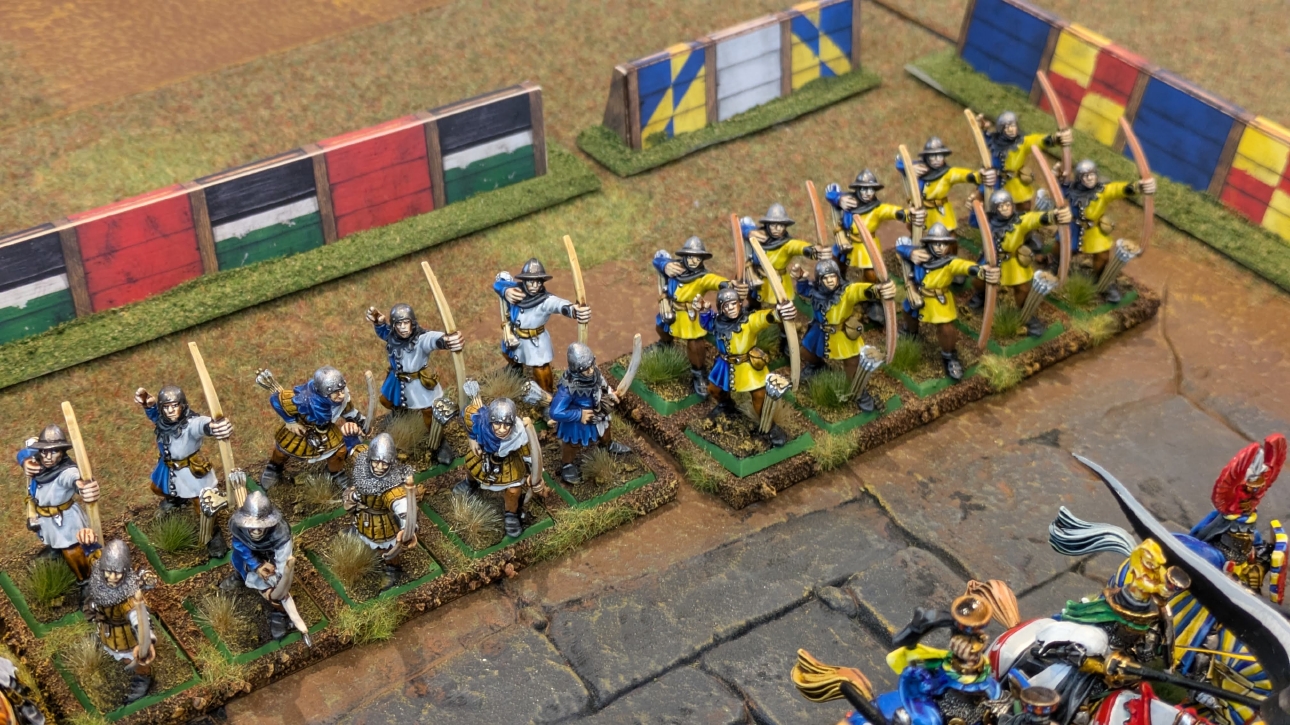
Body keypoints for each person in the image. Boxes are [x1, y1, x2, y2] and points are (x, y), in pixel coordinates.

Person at [135, 385, 233, 558]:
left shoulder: (191, 423)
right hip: (168, 467)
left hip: (191, 471)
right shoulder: (163, 420)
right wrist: (149, 405)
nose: (170, 410)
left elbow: (203, 425)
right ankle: (176, 500)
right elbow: (155, 416)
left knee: (203, 506)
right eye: (166, 407)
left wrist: (214, 426)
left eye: (174, 405)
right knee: (157, 488)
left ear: (182, 405)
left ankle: (214, 536)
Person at [696, 284, 798, 447]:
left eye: (733, 304)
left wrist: (779, 313)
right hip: (724, 365)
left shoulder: (748, 320)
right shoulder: (718, 322)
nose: (730, 308)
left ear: (739, 303)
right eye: (726, 306)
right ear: (721, 308)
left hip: (747, 366)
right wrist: (703, 311)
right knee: (714, 389)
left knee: (759, 396)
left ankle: (770, 427)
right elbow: (707, 324)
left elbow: (763, 318)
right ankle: (726, 405)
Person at [895, 225, 1000, 381]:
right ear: (929, 244)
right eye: (936, 244)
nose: (940, 248)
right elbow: (900, 247)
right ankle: (911, 333)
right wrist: (911, 253)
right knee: (909, 314)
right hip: (916, 295)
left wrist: (981, 271)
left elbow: (964, 266)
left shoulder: (949, 262)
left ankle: (949, 356)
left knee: (946, 330)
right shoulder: (921, 255)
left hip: (938, 301)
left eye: (943, 244)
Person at [366, 303, 465, 466]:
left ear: (412, 322)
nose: (403, 327)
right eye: (398, 324)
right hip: (397, 381)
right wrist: (379, 323)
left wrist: (447, 340)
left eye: (406, 323)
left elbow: (434, 339)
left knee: (430, 415)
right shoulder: (393, 335)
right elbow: (385, 333)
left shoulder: (421, 338)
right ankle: (401, 414)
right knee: (386, 401)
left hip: (419, 383)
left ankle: (440, 444)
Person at [792, 259, 896, 411]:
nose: (830, 280)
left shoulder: (846, 292)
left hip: (841, 333)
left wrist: (879, 289)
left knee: (852, 364)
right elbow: (804, 290)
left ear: (838, 276)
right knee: (806, 352)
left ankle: (859, 391)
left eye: (832, 276)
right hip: (819, 331)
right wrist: (801, 278)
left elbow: (860, 291)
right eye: (825, 278)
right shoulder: (816, 292)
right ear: (820, 280)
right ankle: (816, 366)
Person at [967, 189, 1070, 337]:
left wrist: (1055, 215)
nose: (1005, 208)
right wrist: (973, 208)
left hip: (1012, 262)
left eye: (1007, 205)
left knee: (1022, 289)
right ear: (995, 208)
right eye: (1001, 206)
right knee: (979, 281)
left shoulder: (1019, 220)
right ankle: (981, 296)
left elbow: (1034, 218)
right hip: (991, 261)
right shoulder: (988, 220)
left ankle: (1028, 317)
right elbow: (974, 221)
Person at [653, 237, 740, 397]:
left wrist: (730, 285)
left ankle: (699, 373)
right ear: (685, 256)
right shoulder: (675, 267)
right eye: (691, 256)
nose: (693, 261)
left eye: (697, 258)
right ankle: (665, 344)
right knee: (661, 328)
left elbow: (716, 281)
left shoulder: (702, 277)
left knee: (695, 346)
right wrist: (665, 265)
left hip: (689, 316)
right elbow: (658, 260)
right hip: (670, 310)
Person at [1063, 159, 1155, 302]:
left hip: (1092, 229)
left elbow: (1117, 189)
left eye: (1092, 174)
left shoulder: (1102, 191)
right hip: (1073, 227)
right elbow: (1059, 190)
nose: (1090, 178)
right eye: (1085, 175)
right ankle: (1056, 265)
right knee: (1063, 249)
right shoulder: (1072, 190)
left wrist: (1139, 187)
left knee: (1102, 255)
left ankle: (1101, 279)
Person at [461, 387, 548, 539]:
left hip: (509, 463)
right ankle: (470, 484)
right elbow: (467, 419)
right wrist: (473, 439)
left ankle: (511, 514)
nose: (502, 429)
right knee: (470, 466)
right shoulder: (479, 419)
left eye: (506, 425)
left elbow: (530, 455)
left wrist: (537, 476)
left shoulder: (519, 434)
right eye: (497, 424)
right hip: (483, 456)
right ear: (490, 420)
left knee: (514, 491)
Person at [16, 425, 100, 582]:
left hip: (65, 520)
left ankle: (86, 581)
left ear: (62, 452)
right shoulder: (38, 461)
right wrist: (25, 461)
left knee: (73, 551)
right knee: (53, 541)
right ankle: (56, 550)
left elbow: (75, 479)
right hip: (47, 519)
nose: (48, 456)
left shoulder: (66, 471)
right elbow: (25, 452)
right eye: (44, 451)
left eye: (54, 451)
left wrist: (84, 486)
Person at [260, 366, 366, 489]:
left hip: (326, 430)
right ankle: (273, 468)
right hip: (301, 429)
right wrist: (290, 422)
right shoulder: (302, 399)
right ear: (323, 393)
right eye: (336, 392)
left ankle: (336, 472)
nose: (341, 395)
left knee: (339, 452)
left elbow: (348, 411)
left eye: (342, 390)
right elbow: (275, 400)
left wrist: (360, 421)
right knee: (282, 451)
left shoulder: (341, 397)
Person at [495, 258, 591, 393]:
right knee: (508, 354)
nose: (535, 285)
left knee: (541, 369)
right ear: (524, 281)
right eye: (531, 281)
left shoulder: (545, 300)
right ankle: (515, 370)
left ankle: (546, 393)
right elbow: (498, 284)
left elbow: (559, 304)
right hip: (516, 336)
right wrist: (506, 291)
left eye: (538, 281)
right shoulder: (516, 290)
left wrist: (574, 310)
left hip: (536, 341)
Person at [84, 540, 157, 705]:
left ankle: (143, 678)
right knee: (105, 641)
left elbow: (138, 617)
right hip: (106, 628)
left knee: (130, 660)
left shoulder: (128, 597)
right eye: (108, 572)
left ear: (124, 572)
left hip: (125, 637)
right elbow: (93, 553)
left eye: (117, 573)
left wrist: (145, 640)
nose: (112, 577)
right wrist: (88, 540)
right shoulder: (98, 575)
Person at [341, 433, 416, 591]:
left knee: (386, 549)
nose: (380, 467)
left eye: (385, 463)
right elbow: (354, 449)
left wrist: (408, 527)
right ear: (370, 458)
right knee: (360, 529)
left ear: (391, 463)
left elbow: (402, 506)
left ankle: (392, 570)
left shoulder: (392, 486)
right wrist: (350, 436)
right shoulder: (362, 461)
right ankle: (359, 535)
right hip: (363, 514)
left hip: (383, 523)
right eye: (376, 461)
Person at [548, 343, 631, 484]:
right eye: (587, 369)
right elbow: (555, 412)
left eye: (592, 365)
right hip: (577, 423)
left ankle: (607, 445)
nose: (591, 370)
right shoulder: (568, 388)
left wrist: (610, 394)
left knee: (606, 428)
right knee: (573, 444)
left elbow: (603, 386)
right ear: (577, 370)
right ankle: (567, 465)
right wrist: (579, 414)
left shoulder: (595, 373)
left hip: (598, 411)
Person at [229, 491, 295, 641]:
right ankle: (240, 577)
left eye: (261, 526)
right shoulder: (238, 527)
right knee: (238, 561)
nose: (256, 530)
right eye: (252, 526)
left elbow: (283, 559)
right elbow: (239, 544)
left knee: (276, 589)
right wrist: (256, 564)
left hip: (271, 560)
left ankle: (279, 611)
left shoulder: (280, 533)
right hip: (249, 558)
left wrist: (279, 581)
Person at [984, 111, 1071, 209]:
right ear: (1001, 130)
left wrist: (1055, 139)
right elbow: (984, 139)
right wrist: (982, 127)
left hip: (1014, 183)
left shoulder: (1022, 142)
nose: (1011, 129)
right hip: (994, 181)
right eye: (1007, 127)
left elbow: (1037, 140)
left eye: (1013, 125)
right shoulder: (994, 141)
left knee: (1024, 206)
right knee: (983, 198)